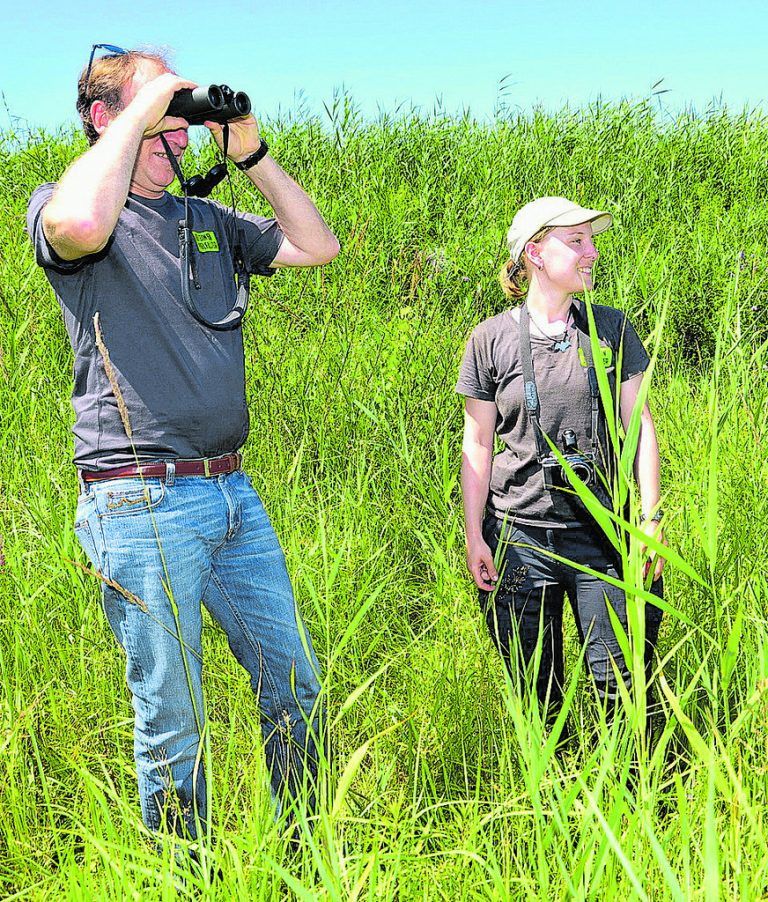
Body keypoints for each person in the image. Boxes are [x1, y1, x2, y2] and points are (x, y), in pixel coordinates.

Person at [26, 47, 340, 840]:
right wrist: (141, 113)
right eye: (163, 107)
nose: (182, 124)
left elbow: (315, 246)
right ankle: (182, 878)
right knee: (174, 719)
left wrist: (253, 153)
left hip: (232, 493)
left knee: (295, 687)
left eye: (183, 111)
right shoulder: (68, 205)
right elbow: (80, 225)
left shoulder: (205, 219)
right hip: (137, 497)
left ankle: (304, 862)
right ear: (106, 117)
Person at [456, 196, 665, 725]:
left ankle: (633, 793)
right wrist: (475, 534)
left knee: (619, 691)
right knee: (536, 696)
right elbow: (477, 444)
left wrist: (650, 519)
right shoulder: (491, 339)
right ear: (535, 253)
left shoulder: (611, 329)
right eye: (577, 241)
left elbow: (639, 426)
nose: (591, 252)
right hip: (518, 534)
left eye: (591, 240)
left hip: (604, 532)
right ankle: (550, 798)